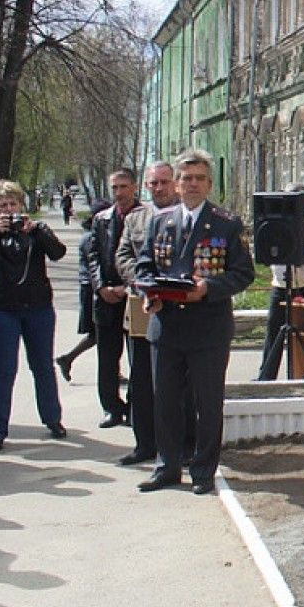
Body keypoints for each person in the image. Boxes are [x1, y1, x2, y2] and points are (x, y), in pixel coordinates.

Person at [133, 148, 254, 495]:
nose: (192, 184)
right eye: (186, 178)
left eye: (200, 178)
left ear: (209, 183)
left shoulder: (226, 223)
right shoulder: (160, 220)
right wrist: (149, 294)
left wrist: (209, 288)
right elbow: (145, 267)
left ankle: (203, 471)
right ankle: (167, 467)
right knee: (166, 402)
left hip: (208, 329)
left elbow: (243, 273)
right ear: (176, 183)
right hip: (166, 326)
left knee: (207, 404)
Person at [0, 179, 68, 451]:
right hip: (2, 310)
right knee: (4, 371)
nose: (10, 210)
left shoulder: (36, 230)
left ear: (22, 204)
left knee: (42, 365)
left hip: (38, 308)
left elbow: (58, 253)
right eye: (3, 205)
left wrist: (38, 232)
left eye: (13, 203)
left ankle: (52, 418)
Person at [115, 161, 186, 466]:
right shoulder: (136, 219)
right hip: (143, 305)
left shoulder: (189, 215)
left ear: (176, 184)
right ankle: (145, 444)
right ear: (146, 187)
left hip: (182, 307)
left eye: (164, 182)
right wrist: (143, 281)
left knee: (180, 382)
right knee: (141, 380)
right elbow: (123, 255)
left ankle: (184, 446)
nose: (159, 188)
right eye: (153, 183)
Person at [257, 182, 304, 381]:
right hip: (281, 285)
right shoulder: (277, 221)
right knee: (274, 334)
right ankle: (266, 377)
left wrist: (302, 253)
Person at [86, 169, 141, 428]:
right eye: (114, 187)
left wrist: (127, 287)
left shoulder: (146, 216)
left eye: (123, 187)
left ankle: (135, 406)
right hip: (106, 297)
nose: (119, 193)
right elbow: (93, 255)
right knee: (107, 358)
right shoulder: (101, 219)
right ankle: (111, 407)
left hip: (135, 296)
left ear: (134, 187)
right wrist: (100, 287)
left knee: (138, 358)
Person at [55, 198, 111, 381]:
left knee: (100, 334)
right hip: (91, 289)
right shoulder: (91, 237)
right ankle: (68, 358)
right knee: (98, 333)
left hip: (94, 287)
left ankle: (68, 358)